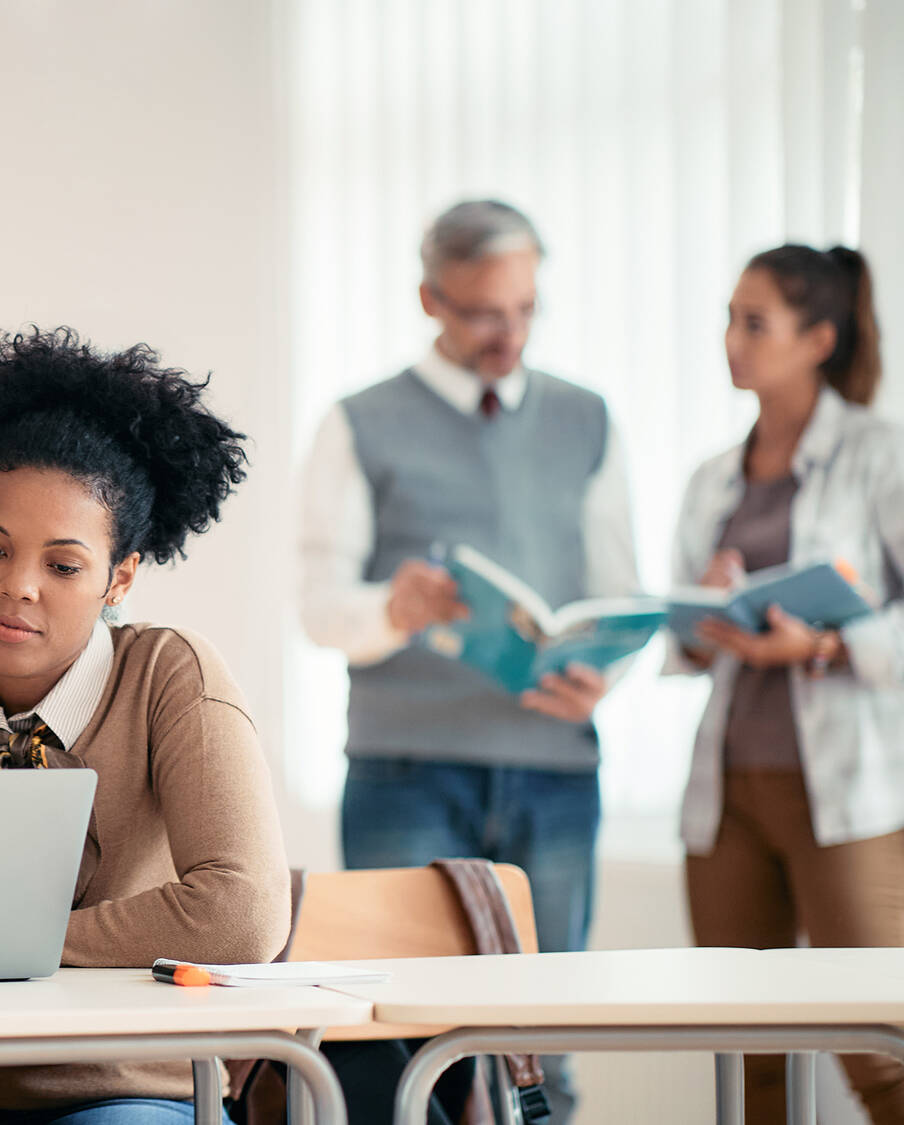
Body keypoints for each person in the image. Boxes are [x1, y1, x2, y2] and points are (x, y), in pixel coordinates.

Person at [0, 328, 289, 1124]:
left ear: (120, 577)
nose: (18, 587)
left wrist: (1, 940)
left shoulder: (171, 678)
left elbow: (242, 910)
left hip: (125, 1092)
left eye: (64, 565)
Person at [296, 199, 641, 1121]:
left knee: (547, 1052)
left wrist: (602, 675)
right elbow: (319, 606)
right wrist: (394, 609)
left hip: (557, 773)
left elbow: (619, 589)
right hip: (406, 773)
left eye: (527, 308)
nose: (510, 333)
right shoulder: (357, 423)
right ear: (430, 299)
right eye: (488, 311)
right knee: (403, 1051)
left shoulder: (587, 420)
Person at [673, 244, 904, 1123]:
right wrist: (706, 613)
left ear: (819, 338)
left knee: (880, 1051)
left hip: (845, 796)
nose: (733, 339)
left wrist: (822, 646)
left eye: (754, 322)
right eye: (729, 318)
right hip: (730, 796)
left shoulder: (880, 457)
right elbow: (689, 646)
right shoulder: (712, 479)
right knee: (746, 1057)